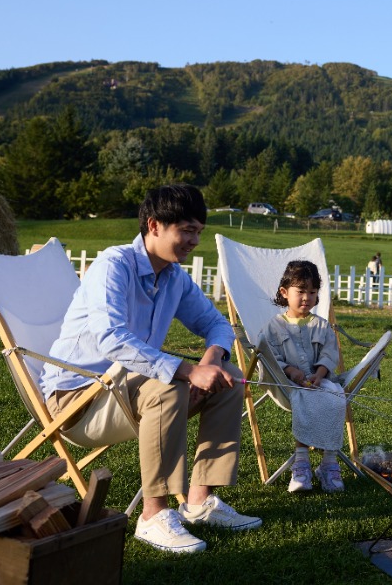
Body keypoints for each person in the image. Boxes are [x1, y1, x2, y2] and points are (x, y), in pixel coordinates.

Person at [41, 184, 260, 555]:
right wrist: (188, 372)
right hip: (76, 401)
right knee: (168, 385)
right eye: (187, 230)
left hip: (123, 391)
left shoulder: (174, 277)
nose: (194, 241)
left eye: (199, 232)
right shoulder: (114, 265)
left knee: (229, 380)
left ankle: (198, 502)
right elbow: (111, 338)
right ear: (155, 225)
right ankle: (152, 516)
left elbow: (219, 324)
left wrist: (211, 359)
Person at [262, 260, 347, 494]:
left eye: (312, 292)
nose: (306, 298)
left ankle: (329, 462)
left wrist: (319, 375)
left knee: (337, 395)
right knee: (303, 397)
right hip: (288, 385)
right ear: (284, 292)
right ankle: (301, 464)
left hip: (320, 381)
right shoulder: (274, 327)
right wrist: (290, 371)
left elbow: (330, 353)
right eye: (300, 291)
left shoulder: (321, 325)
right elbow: (270, 356)